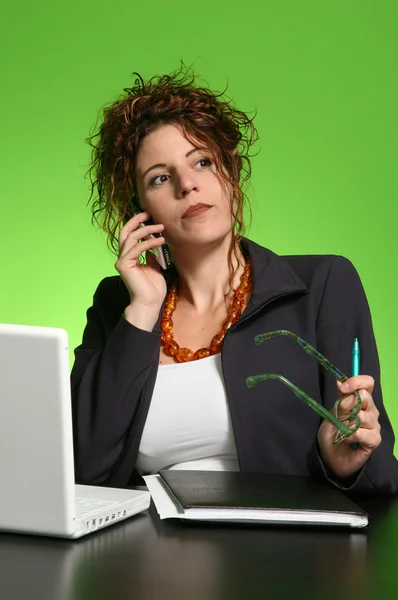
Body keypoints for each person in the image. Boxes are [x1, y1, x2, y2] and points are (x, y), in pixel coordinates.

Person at [71, 67, 398, 496]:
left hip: (278, 553)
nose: (188, 184)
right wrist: (143, 310)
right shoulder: (119, 304)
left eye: (202, 162)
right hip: (144, 551)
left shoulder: (322, 285)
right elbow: (82, 471)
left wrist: (339, 462)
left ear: (231, 174)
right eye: (160, 178)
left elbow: (383, 477)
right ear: (140, 209)